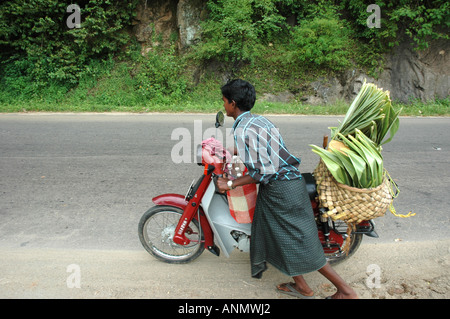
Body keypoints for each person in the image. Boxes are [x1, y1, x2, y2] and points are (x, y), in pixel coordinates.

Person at [216, 79, 358, 299]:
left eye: (224, 101)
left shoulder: (242, 129)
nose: (223, 106)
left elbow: (263, 172)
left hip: (282, 191)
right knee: (274, 235)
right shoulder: (259, 121)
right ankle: (301, 285)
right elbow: (265, 151)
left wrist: (231, 183)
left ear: (233, 104)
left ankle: (347, 292)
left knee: (301, 244)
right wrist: (230, 151)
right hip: (284, 186)